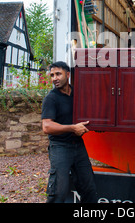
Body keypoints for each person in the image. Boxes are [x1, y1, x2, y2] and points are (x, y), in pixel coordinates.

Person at [41, 61, 98, 203]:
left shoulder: (78, 94)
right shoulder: (51, 98)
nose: (55, 78)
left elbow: (88, 113)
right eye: (52, 75)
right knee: (58, 192)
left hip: (78, 146)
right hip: (59, 147)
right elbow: (47, 126)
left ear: (68, 74)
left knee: (89, 188)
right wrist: (72, 128)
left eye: (58, 74)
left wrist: (99, 124)